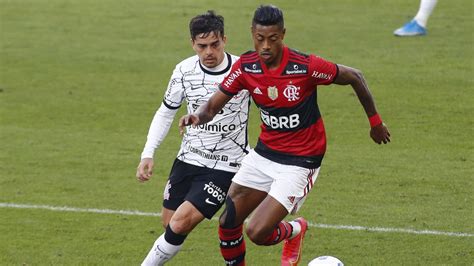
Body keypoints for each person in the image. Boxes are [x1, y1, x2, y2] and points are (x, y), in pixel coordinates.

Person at [179, 5, 391, 266]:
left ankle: (294, 230)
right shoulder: (247, 67)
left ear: (282, 35)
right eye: (260, 39)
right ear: (252, 34)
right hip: (264, 154)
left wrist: (375, 123)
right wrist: (196, 117)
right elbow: (212, 106)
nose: (265, 46)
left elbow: (355, 77)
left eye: (272, 39)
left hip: (300, 162)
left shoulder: (305, 67)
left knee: (256, 231)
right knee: (227, 223)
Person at [136, 10, 250, 266]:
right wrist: (148, 153)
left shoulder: (243, 71)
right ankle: (290, 231)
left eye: (214, 44)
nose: (209, 52)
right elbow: (166, 113)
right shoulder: (184, 70)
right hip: (187, 159)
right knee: (170, 225)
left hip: (225, 165)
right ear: (192, 44)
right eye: (202, 46)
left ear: (224, 40)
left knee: (179, 223)